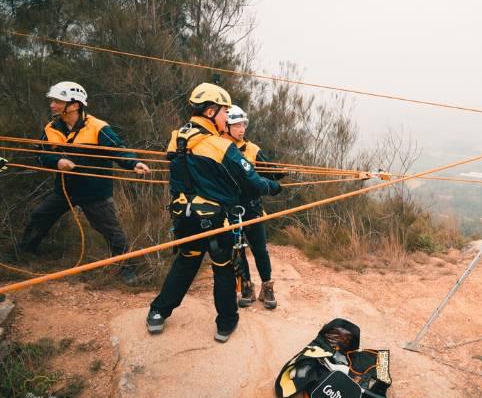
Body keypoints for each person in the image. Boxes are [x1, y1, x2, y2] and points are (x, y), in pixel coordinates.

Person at [146, 83, 282, 343]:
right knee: (223, 268)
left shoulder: (178, 137)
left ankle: (157, 313)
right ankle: (226, 323)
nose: (226, 118)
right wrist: (274, 187)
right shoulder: (220, 147)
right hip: (213, 220)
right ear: (210, 112)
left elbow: (181, 164)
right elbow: (252, 181)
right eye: (224, 113)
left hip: (183, 213)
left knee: (186, 261)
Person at [18, 81, 150, 284]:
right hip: (64, 190)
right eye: (53, 100)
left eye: (58, 101)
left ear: (74, 105)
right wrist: (57, 161)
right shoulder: (51, 128)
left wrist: (134, 163)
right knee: (40, 217)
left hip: (94, 192)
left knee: (111, 231)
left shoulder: (98, 127)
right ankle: (26, 254)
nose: (52, 105)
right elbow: (40, 155)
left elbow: (118, 149)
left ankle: (127, 268)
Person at [222, 105, 284, 309]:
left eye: (243, 124)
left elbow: (269, 172)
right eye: (237, 125)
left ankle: (267, 287)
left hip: (252, 206)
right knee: (237, 249)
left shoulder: (252, 149)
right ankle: (246, 286)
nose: (242, 129)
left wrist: (279, 173)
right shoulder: (219, 148)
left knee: (259, 249)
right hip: (230, 208)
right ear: (226, 126)